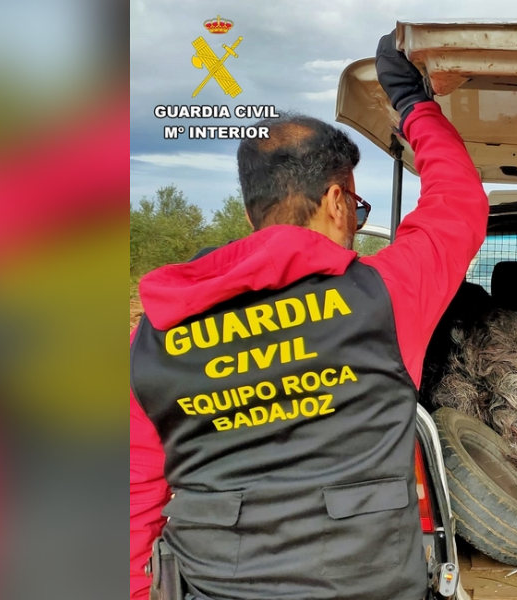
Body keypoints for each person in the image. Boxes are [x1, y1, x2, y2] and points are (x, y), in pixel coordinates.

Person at [128, 31, 488, 600]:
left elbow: (131, 495)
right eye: (356, 204)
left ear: (252, 214)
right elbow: (458, 202)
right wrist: (413, 102)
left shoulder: (153, 333)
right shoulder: (383, 297)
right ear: (338, 201)